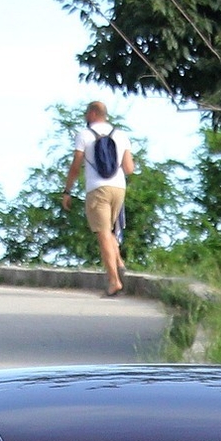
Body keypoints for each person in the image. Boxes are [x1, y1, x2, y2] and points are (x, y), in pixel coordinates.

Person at [68, 101, 135, 296]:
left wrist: (67, 191)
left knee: (103, 232)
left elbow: (75, 166)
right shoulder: (121, 135)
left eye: (87, 113)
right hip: (119, 188)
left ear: (94, 113)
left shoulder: (84, 135)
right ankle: (119, 263)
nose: (85, 116)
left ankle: (114, 281)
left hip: (97, 188)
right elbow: (129, 168)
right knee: (110, 230)